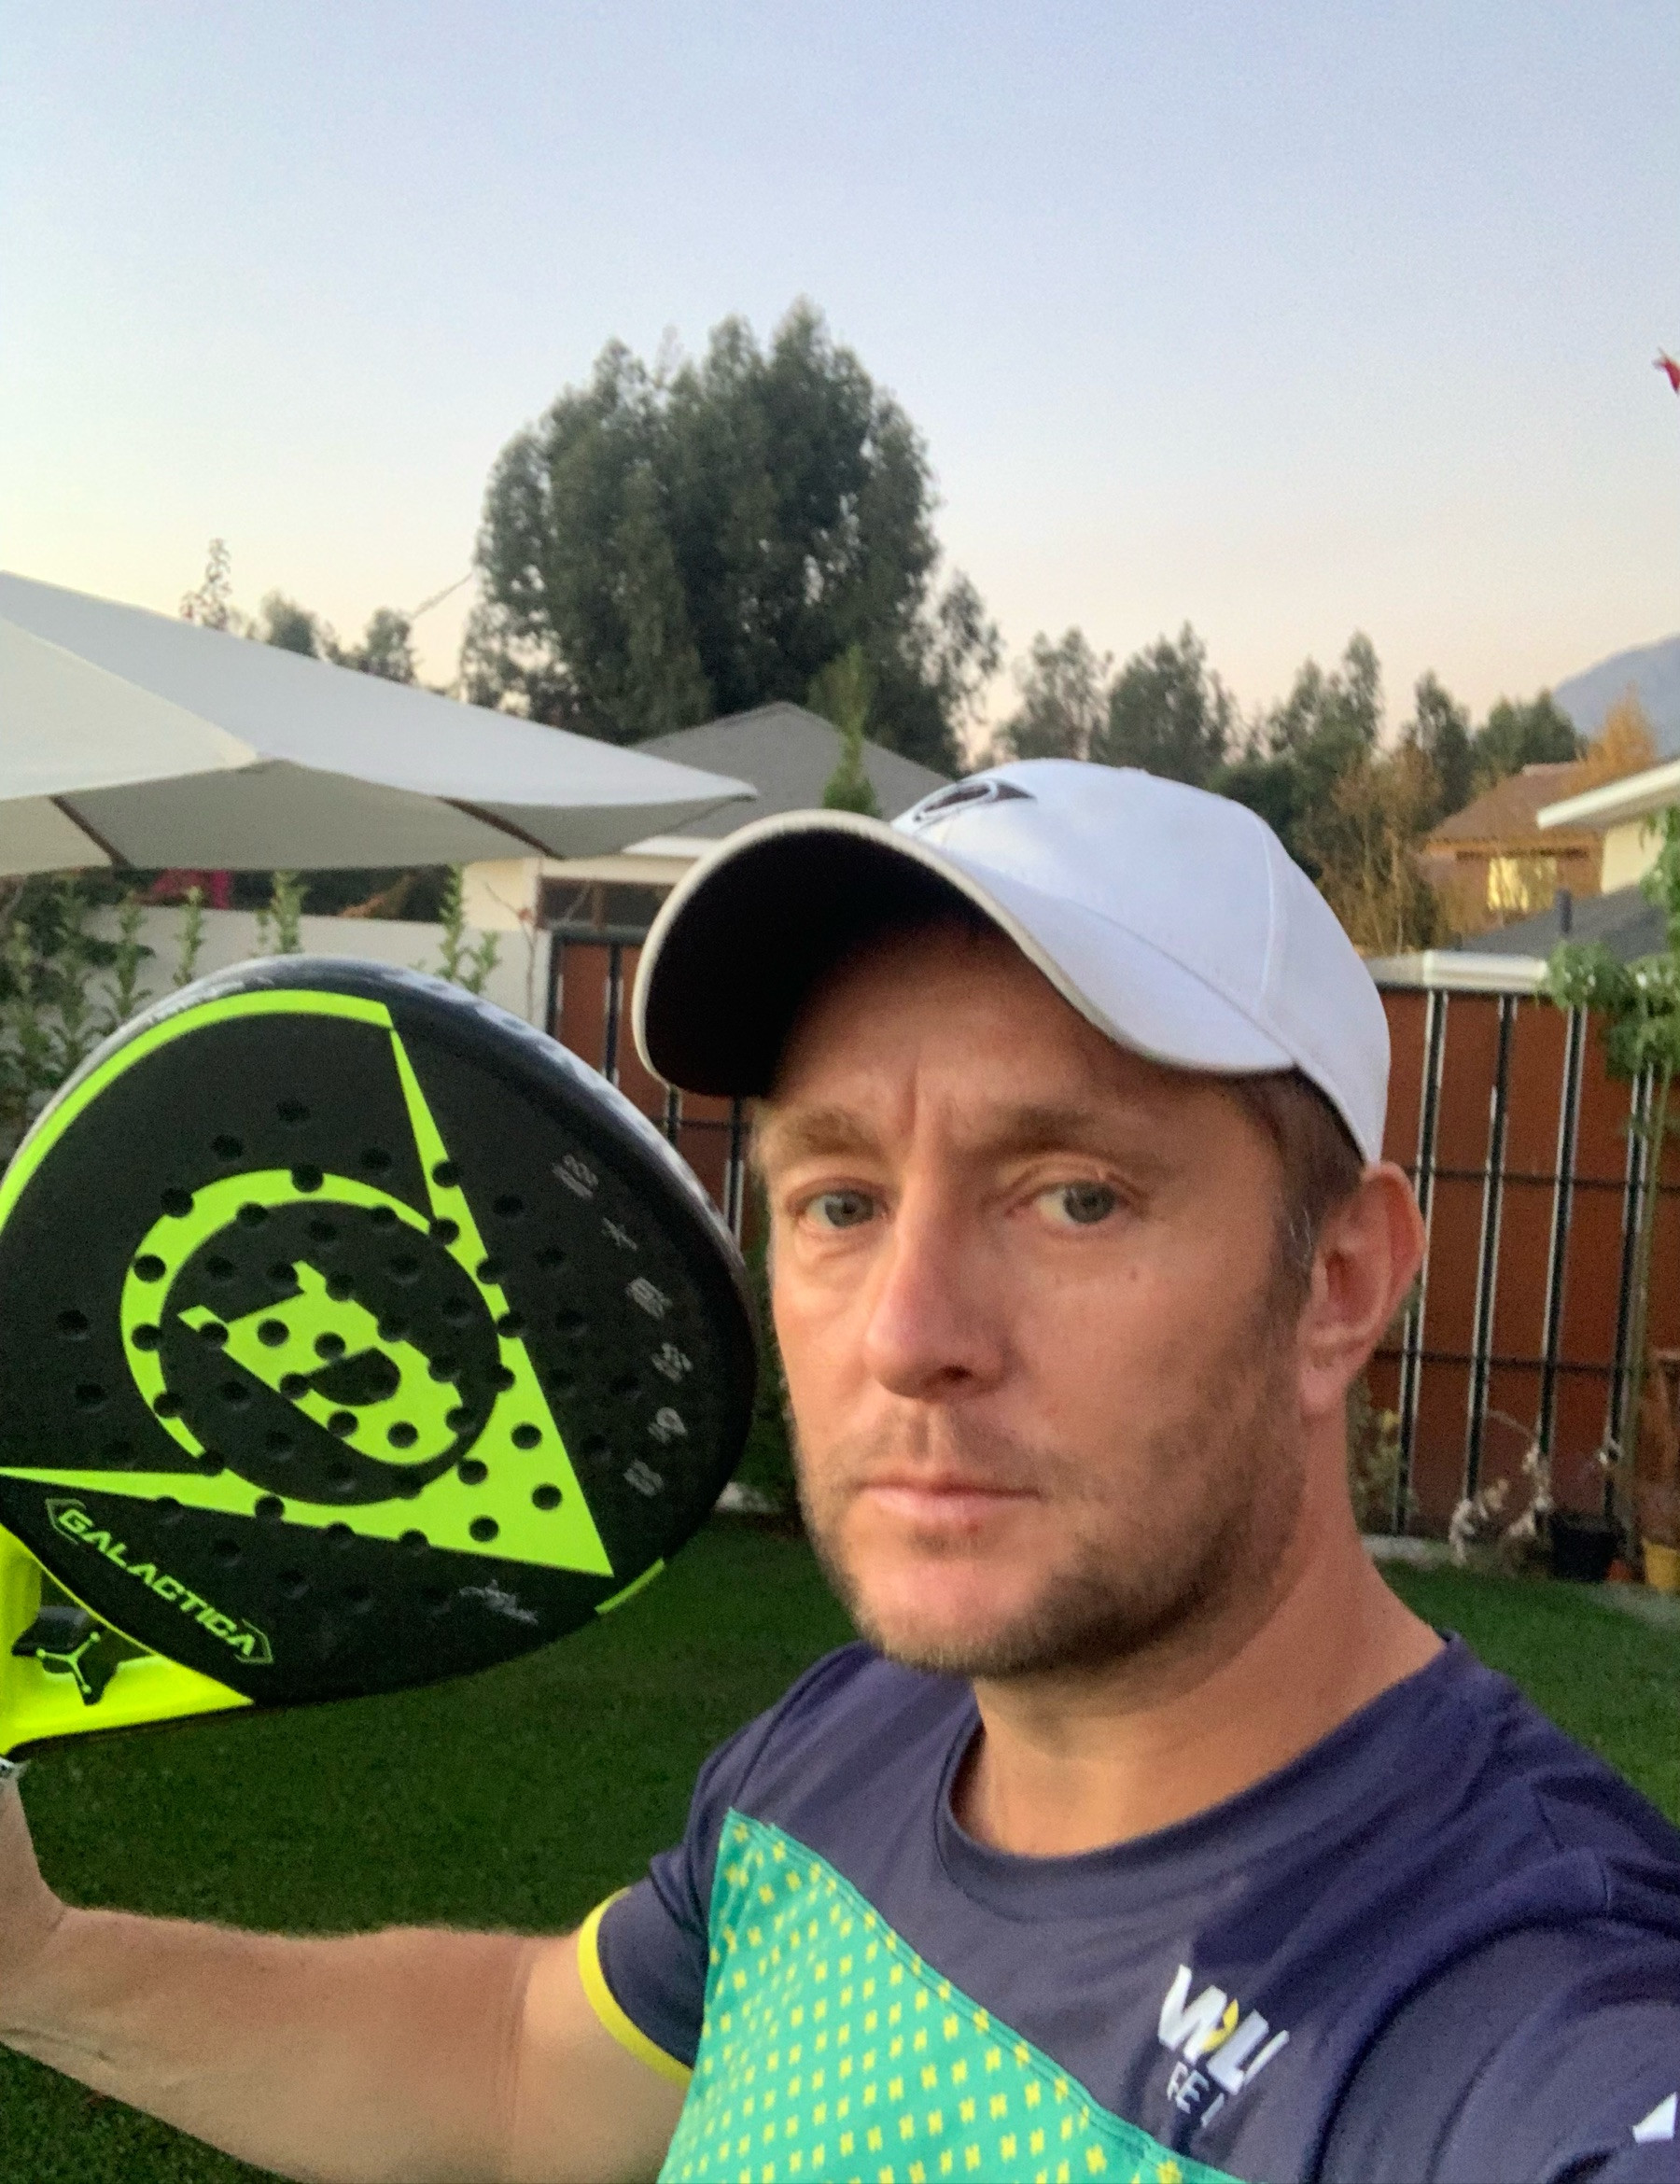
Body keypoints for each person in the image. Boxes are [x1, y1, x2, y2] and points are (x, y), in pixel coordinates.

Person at [2, 758, 1677, 2184]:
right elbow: (521, 2066)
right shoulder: (849, 1743)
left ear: (1340, 1282)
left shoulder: (1519, 2017)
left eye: (1075, 1196)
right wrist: (35, 1958)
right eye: (841, 1202)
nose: (908, 1332)